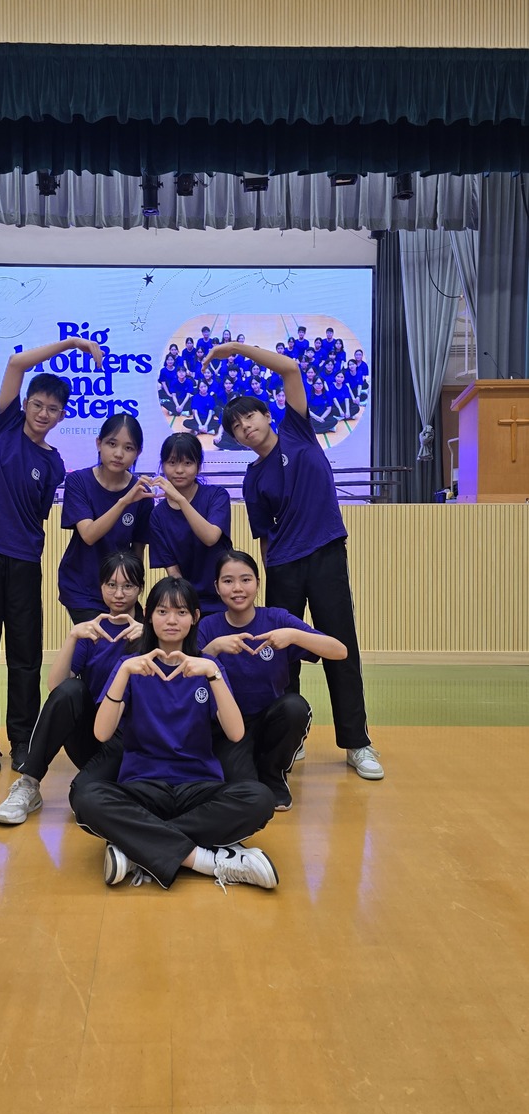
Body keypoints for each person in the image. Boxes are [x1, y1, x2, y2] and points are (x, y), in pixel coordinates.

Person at [206, 339, 383, 780]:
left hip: (325, 556)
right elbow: (264, 537)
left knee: (341, 648)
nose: (245, 427)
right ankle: (291, 735)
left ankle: (357, 743)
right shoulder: (252, 478)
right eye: (236, 426)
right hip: (283, 566)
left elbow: (289, 369)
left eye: (250, 416)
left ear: (267, 415)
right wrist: (266, 579)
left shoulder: (298, 431)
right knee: (281, 654)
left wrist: (237, 348)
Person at [69, 577, 278, 891]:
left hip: (198, 787)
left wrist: (213, 675)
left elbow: (235, 734)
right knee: (87, 798)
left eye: (181, 612)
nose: (171, 620)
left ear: (195, 617)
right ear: (149, 616)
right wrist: (123, 673)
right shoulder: (129, 665)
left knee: (259, 799)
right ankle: (205, 860)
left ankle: (135, 847)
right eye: (162, 611)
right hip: (142, 787)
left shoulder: (208, 666)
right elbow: (101, 733)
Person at [0, 335, 103, 774]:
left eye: (52, 409)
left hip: (24, 560)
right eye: (37, 404)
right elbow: (16, 363)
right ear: (25, 404)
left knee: (25, 652)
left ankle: (23, 739)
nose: (43, 413)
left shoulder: (55, 463)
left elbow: (36, 514)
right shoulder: (5, 425)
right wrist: (73, 342)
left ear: (62, 415)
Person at [0, 552, 144, 825]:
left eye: (128, 586)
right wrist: (73, 636)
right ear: (101, 587)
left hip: (133, 744)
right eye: (111, 585)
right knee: (70, 690)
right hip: (93, 739)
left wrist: (149, 641)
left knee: (90, 794)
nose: (119, 594)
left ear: (140, 588)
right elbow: (56, 687)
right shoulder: (92, 631)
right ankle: (29, 783)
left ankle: (121, 788)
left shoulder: (151, 631)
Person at [198, 550, 348, 809]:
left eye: (246, 580)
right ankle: (249, 763)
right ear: (217, 587)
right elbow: (185, 675)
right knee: (239, 788)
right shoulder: (207, 627)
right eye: (228, 581)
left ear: (257, 583)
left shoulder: (277, 619)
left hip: (270, 719)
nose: (237, 588)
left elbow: (340, 651)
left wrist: (294, 635)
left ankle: (273, 774)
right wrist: (213, 649)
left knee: (294, 707)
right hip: (228, 726)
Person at [57, 413, 153, 623]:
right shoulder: (78, 481)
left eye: (128, 448)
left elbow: (138, 550)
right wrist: (124, 502)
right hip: (82, 586)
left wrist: (132, 590)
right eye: (112, 444)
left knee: (138, 638)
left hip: (120, 590)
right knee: (99, 639)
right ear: (99, 443)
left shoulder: (141, 493)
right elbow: (89, 535)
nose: (118, 454)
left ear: (138, 452)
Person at [149, 433, 232, 614]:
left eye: (187, 463)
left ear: (198, 466)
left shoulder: (216, 496)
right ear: (163, 465)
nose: (179, 470)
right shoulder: (157, 515)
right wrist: (187, 607)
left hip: (226, 598)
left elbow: (210, 537)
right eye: (172, 462)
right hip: (189, 602)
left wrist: (180, 500)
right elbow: (174, 573)